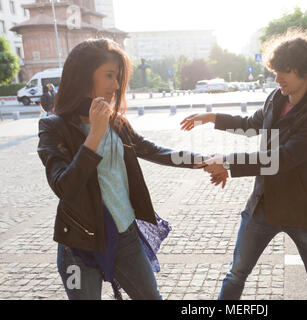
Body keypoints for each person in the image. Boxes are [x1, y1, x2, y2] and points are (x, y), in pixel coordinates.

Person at [37, 38, 205, 300]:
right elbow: (64, 186)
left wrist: (203, 161)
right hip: (77, 246)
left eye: (118, 77)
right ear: (83, 76)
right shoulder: (53, 127)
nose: (116, 85)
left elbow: (156, 151)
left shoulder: (117, 123)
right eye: (109, 76)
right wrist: (94, 136)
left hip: (125, 237)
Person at [180, 29, 307, 300]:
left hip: (302, 209)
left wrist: (228, 164)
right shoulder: (277, 97)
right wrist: (212, 117)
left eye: (284, 71)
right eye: (275, 70)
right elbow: (250, 124)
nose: (276, 78)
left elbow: (283, 158)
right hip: (263, 205)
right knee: (236, 274)